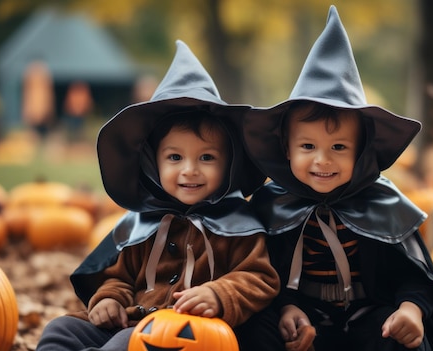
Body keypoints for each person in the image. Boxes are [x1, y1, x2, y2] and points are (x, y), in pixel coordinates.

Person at [36, 40, 280, 351]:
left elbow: (260, 277)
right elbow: (120, 277)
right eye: (175, 158)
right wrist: (110, 298)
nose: (190, 170)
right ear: (153, 165)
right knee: (63, 330)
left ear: (229, 166)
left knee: (126, 344)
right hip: (135, 319)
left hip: (189, 333)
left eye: (206, 158)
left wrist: (220, 294)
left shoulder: (238, 226)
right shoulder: (144, 223)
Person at [242, 6, 433, 351]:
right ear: (287, 149)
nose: (322, 160)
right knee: (255, 329)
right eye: (308, 145)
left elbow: (417, 278)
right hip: (301, 314)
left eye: (339, 146)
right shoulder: (271, 203)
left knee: (396, 339)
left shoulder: (383, 204)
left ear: (361, 151)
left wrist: (410, 311)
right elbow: (258, 274)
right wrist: (286, 307)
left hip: (367, 314)